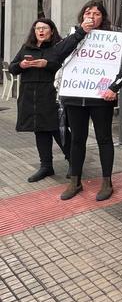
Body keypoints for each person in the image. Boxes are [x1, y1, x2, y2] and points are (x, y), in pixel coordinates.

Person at [56, 1, 122, 201]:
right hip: (74, 97)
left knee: (104, 139)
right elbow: (57, 55)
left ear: (102, 18)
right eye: (88, 13)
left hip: (100, 98)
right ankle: (75, 181)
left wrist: (114, 88)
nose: (92, 16)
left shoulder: (112, 39)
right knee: (77, 140)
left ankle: (107, 182)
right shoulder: (73, 36)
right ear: (82, 16)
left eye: (96, 14)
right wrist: (79, 33)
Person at [9, 18, 68, 182]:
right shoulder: (26, 48)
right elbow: (12, 69)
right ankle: (46, 166)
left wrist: (46, 64)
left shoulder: (58, 48)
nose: (40, 31)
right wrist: (21, 65)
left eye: (44, 28)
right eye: (37, 28)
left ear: (52, 31)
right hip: (30, 96)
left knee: (58, 130)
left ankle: (73, 162)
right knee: (40, 130)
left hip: (51, 95)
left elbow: (65, 68)